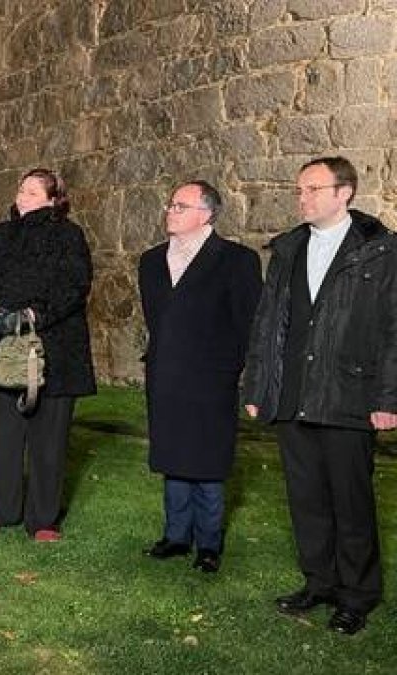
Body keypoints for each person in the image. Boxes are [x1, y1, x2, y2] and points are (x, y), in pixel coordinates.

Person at [243, 156, 397, 635]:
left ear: (344, 192)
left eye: (313, 189)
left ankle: (357, 596)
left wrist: (388, 398)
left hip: (347, 395)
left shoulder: (380, 250)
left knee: (351, 502)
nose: (302, 198)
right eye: (299, 190)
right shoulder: (288, 249)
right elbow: (267, 323)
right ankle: (319, 583)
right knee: (305, 498)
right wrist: (257, 385)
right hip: (292, 396)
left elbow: (394, 328)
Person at [0, 168, 95, 541]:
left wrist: (35, 314)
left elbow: (74, 284)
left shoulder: (68, 236)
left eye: (33, 193)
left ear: (54, 200)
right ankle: (0, 512)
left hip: (52, 347)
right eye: (21, 191)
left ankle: (43, 520)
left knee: (47, 440)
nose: (22, 198)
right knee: (1, 437)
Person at [138, 181, 262, 573]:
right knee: (173, 455)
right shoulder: (151, 261)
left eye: (181, 205)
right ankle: (176, 536)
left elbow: (249, 323)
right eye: (171, 204)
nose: (170, 211)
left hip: (211, 376)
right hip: (165, 373)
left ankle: (209, 543)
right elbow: (157, 321)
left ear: (206, 214)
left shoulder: (236, 260)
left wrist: (232, 369)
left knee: (207, 460)